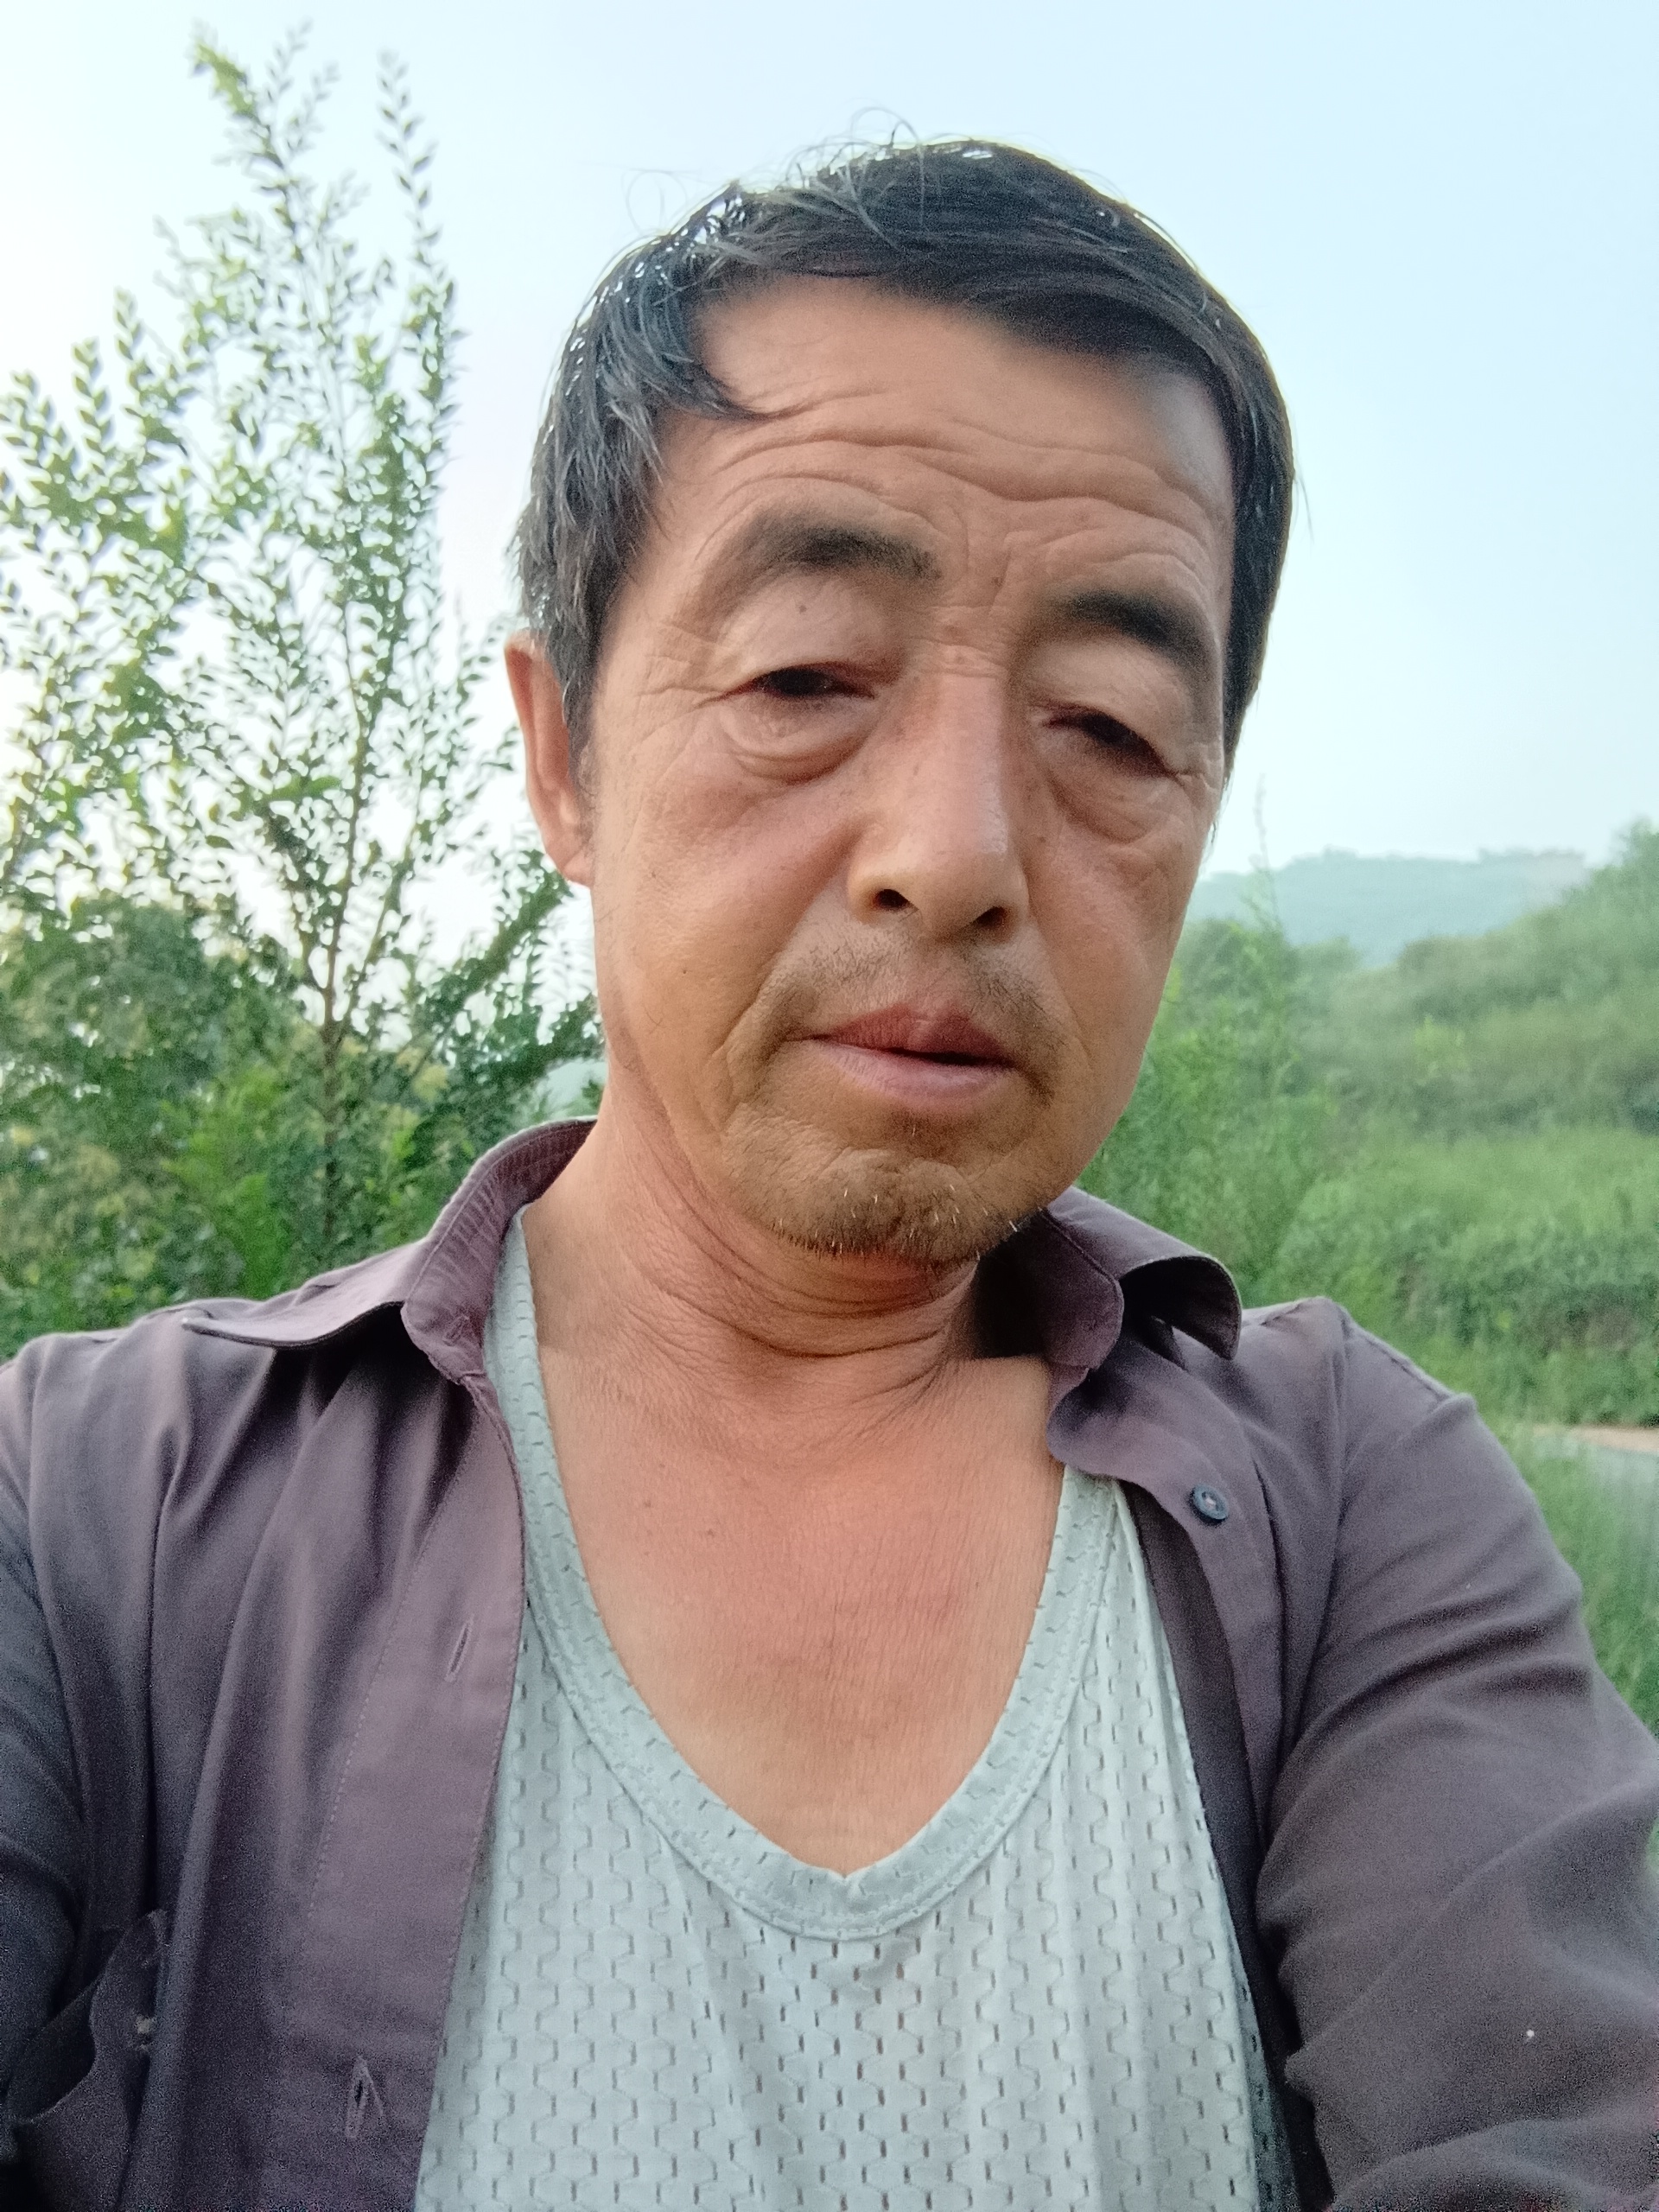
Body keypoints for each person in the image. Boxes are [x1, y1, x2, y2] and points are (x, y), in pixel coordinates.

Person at [1, 141, 1655, 2212]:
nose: (955, 854)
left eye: (1110, 725)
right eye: (803, 678)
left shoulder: (1357, 1513)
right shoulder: (97, 1512)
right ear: (561, 753)